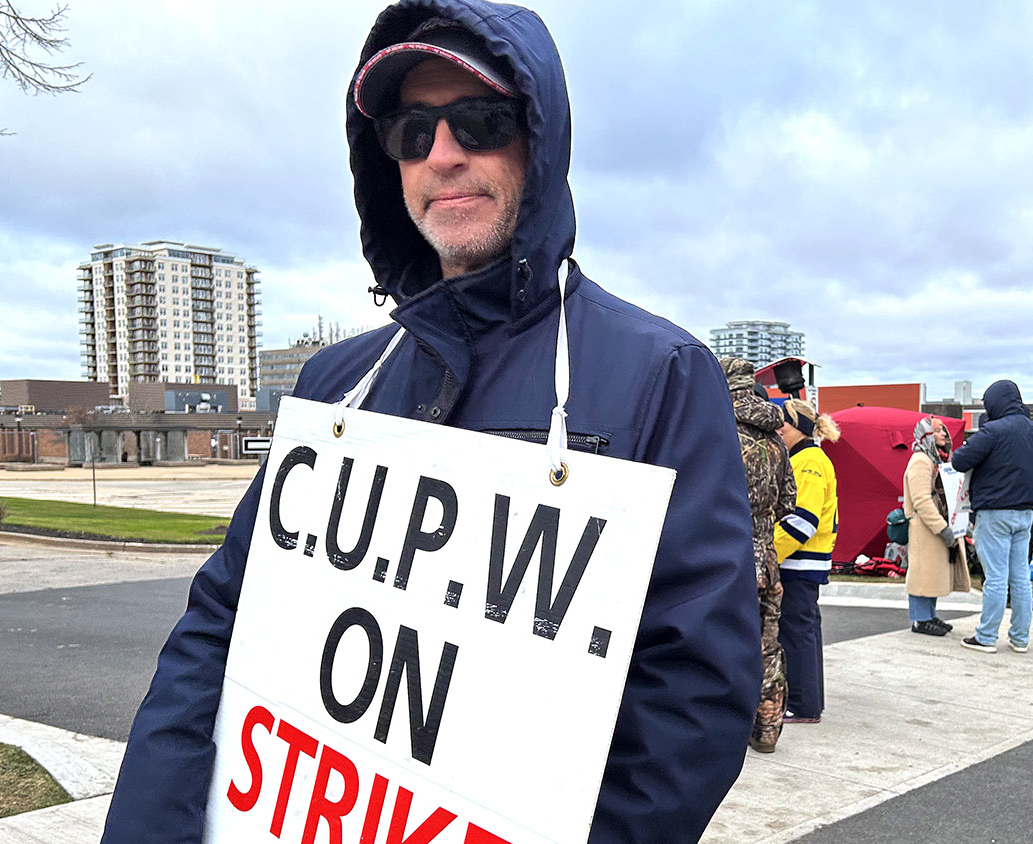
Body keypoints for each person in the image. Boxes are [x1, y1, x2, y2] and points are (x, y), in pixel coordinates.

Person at [100, 5, 760, 843]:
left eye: (480, 121)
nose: (442, 155)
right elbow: (219, 628)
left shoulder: (657, 375)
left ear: (540, 140)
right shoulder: (334, 383)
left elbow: (691, 695)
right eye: (413, 133)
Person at [950, 380, 1033, 654]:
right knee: (1021, 577)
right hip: (1024, 514)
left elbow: (959, 461)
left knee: (996, 578)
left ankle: (987, 636)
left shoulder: (992, 431)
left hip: (993, 513)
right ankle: (1020, 638)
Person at [721, 358, 796, 754]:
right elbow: (789, 502)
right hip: (766, 559)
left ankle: (720, 736)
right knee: (767, 648)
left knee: (719, 646)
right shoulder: (777, 439)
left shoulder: (716, 431)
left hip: (726, 561)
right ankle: (766, 732)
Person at [774, 399, 840, 724]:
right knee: (805, 631)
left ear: (797, 427)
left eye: (782, 424)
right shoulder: (808, 457)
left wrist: (768, 551)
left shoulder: (809, 461)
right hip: (804, 563)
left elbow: (803, 520)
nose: (777, 429)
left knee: (796, 632)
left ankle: (802, 705)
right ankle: (809, 702)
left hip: (799, 563)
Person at [903, 416, 970, 635]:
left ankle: (929, 615)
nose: (944, 434)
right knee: (923, 575)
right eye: (938, 431)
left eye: (944, 430)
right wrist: (942, 528)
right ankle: (921, 620)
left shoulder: (935, 460)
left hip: (934, 526)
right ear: (926, 435)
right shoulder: (921, 461)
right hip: (926, 528)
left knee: (932, 574)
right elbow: (922, 500)